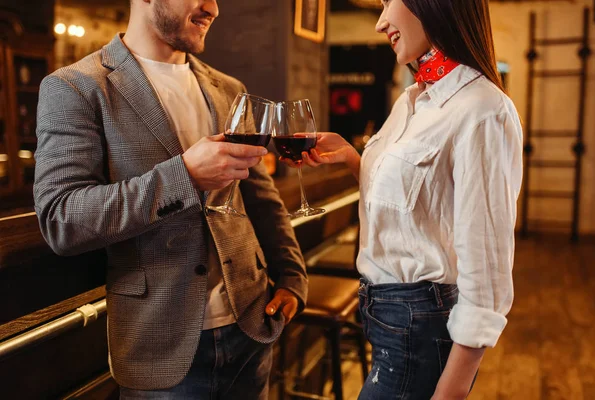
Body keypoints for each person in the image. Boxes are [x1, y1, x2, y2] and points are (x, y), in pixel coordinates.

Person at [33, 0, 308, 398]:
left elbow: (262, 200)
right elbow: (62, 219)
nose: (212, 8)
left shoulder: (231, 90)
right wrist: (186, 175)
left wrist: (292, 278)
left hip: (252, 327)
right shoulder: (74, 87)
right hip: (160, 345)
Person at [293, 0, 523, 398]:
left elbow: (486, 282)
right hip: (386, 320)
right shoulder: (412, 100)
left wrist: (451, 392)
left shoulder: (484, 110)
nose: (381, 22)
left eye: (387, 2)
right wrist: (352, 157)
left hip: (420, 328)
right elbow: (412, 209)